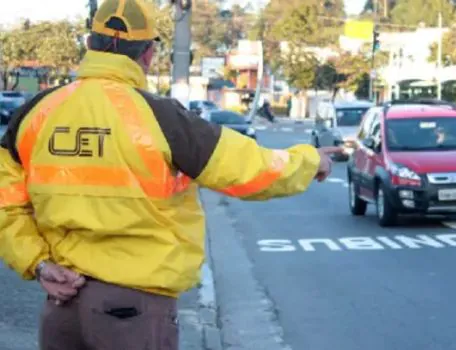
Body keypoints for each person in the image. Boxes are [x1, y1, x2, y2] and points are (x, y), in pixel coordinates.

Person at [0, 0, 342, 349]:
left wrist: (38, 263)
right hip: (133, 313)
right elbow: (246, 169)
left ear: (90, 44)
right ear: (147, 54)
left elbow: (5, 204)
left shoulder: (35, 113)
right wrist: (309, 161)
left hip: (61, 306)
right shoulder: (159, 117)